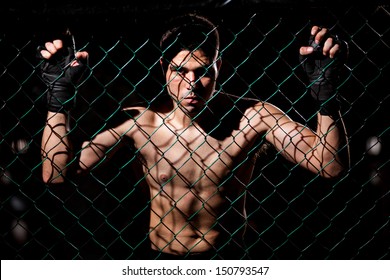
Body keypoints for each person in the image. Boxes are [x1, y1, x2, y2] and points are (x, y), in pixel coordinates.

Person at [38, 13, 349, 259]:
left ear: (219, 66)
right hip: (162, 259)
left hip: (230, 259)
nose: (192, 83)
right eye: (179, 71)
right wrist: (59, 95)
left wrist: (326, 95)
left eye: (203, 71)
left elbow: (328, 165)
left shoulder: (254, 116)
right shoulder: (140, 122)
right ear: (163, 68)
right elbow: (55, 174)